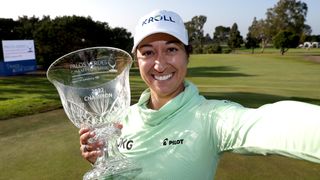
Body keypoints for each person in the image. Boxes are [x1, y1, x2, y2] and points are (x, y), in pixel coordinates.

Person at [79, 9, 320, 179]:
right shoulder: (121, 119)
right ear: (137, 61)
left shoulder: (211, 117)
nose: (160, 65)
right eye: (148, 52)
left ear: (187, 56)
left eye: (171, 49)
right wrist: (102, 161)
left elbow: (274, 123)